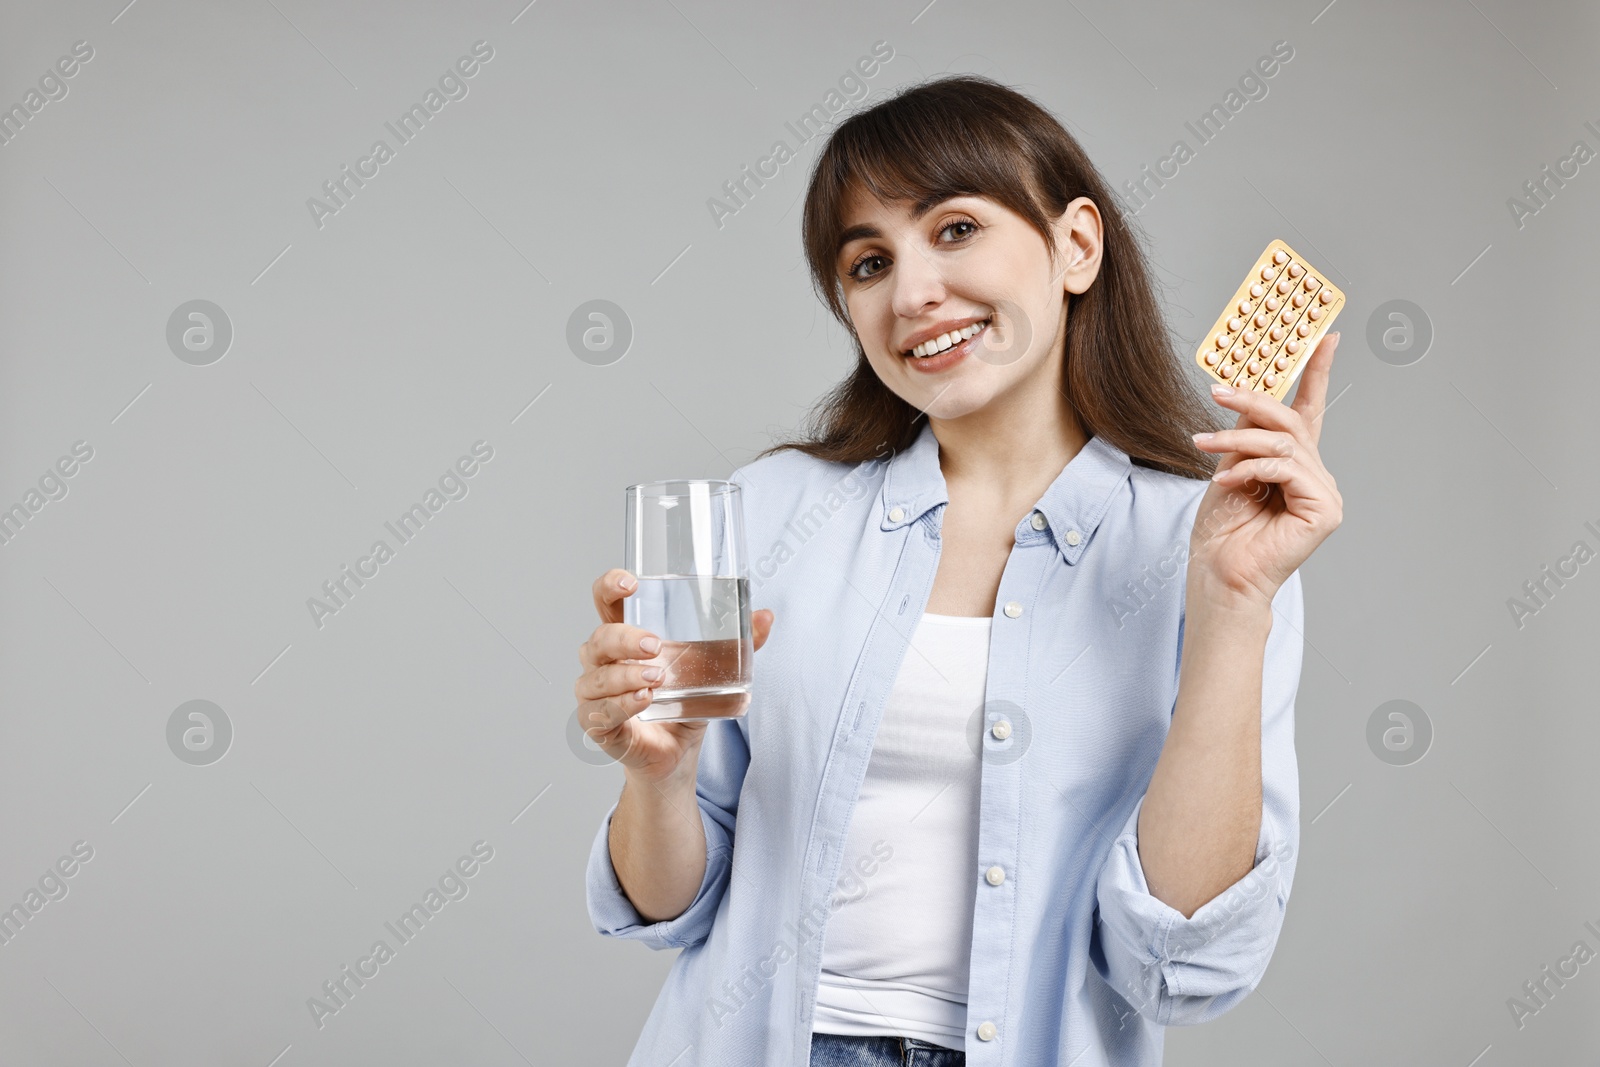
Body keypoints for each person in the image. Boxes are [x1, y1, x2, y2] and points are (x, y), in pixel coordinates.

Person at [577, 74, 1342, 1067]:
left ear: (1076, 245)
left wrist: (1234, 605)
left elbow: (1176, 964)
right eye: (866, 262)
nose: (911, 293)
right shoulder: (766, 513)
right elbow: (668, 907)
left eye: (954, 229)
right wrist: (661, 778)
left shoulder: (1207, 543)